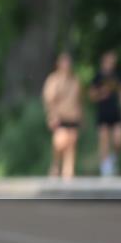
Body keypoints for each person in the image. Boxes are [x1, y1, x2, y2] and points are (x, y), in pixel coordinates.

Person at [89, 50, 121, 177]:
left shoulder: (117, 76)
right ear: (104, 61)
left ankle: (112, 159)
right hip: (103, 112)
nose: (112, 63)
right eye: (110, 61)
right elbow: (91, 95)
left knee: (119, 140)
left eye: (113, 61)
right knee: (104, 140)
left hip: (116, 112)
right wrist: (102, 93)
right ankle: (105, 167)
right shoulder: (98, 77)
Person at [42, 52, 82, 180]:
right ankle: (55, 165)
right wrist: (52, 116)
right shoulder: (53, 80)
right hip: (59, 116)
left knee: (71, 144)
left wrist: (81, 116)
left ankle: (68, 172)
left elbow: (79, 100)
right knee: (60, 143)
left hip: (73, 116)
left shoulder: (75, 81)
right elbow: (49, 100)